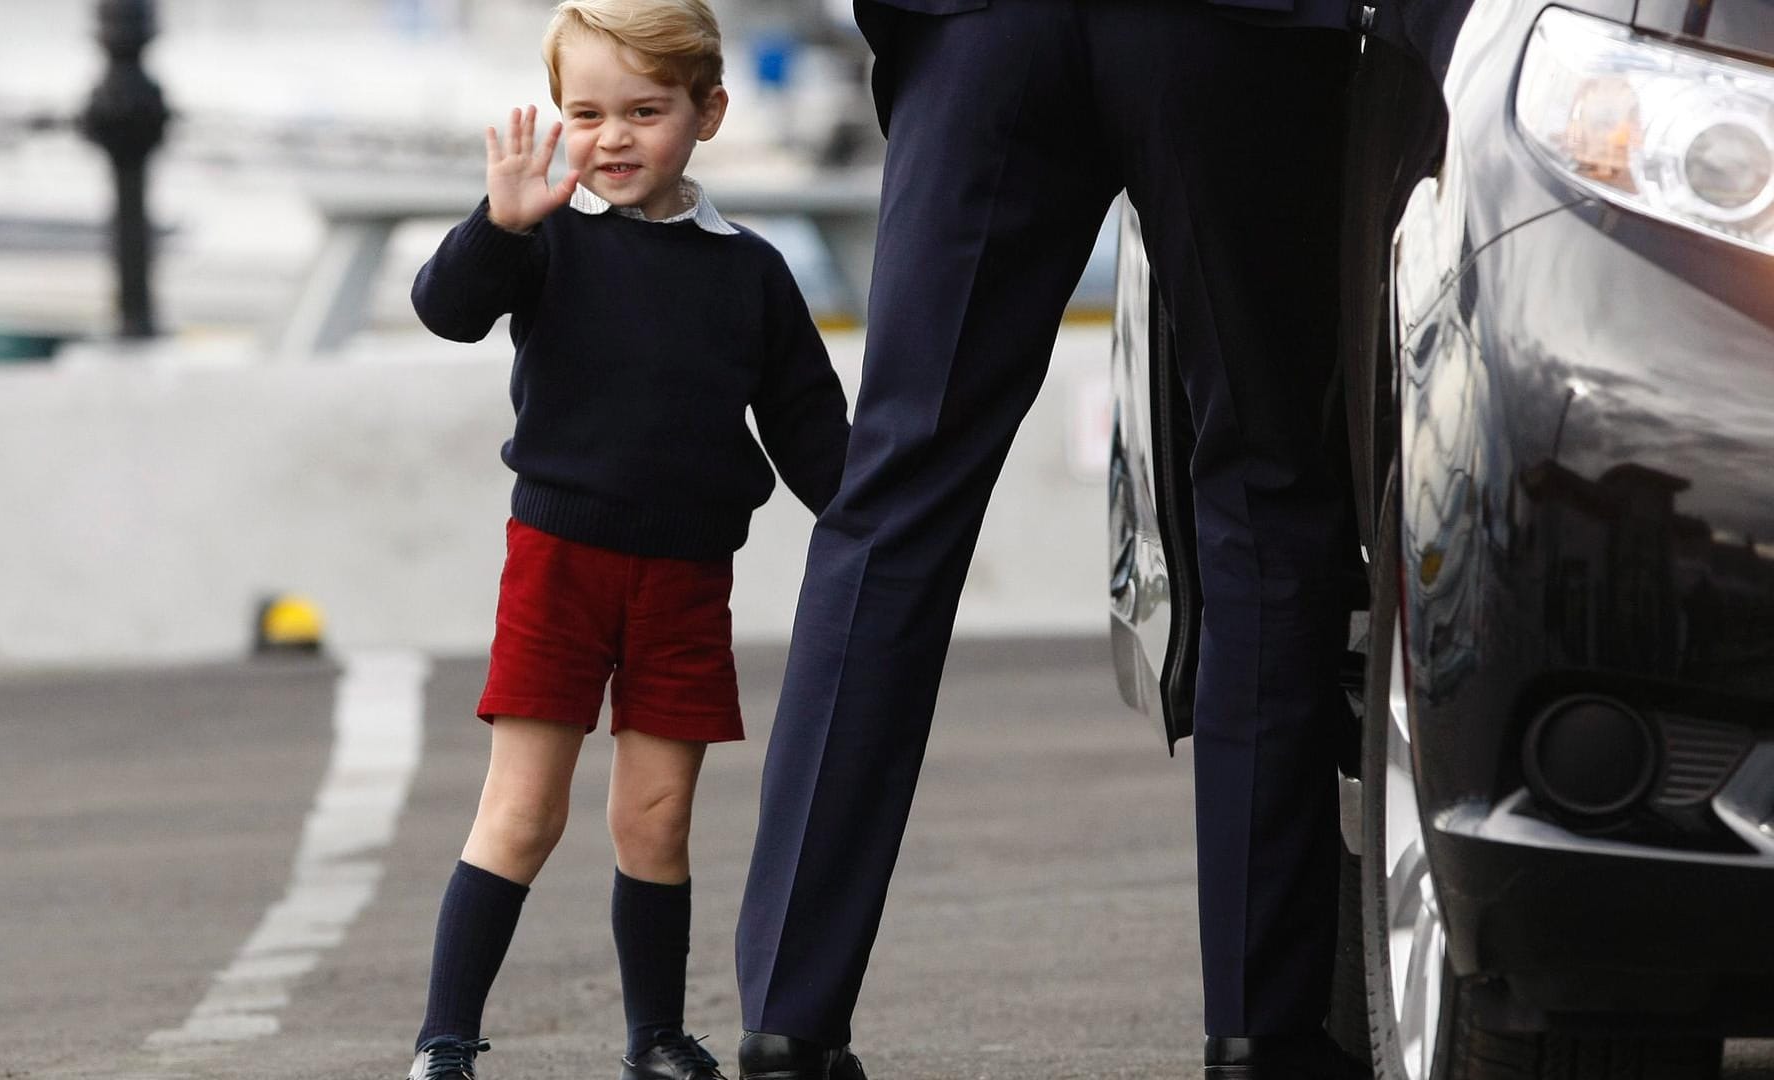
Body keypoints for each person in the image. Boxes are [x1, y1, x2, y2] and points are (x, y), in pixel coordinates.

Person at [733, 1, 1370, 1078]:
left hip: (984, 25)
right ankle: (1262, 1031)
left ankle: (787, 1023)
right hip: (1231, 30)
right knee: (1267, 493)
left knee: (893, 503)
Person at [402, 2, 851, 1078]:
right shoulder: (543, 236)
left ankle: (653, 1039)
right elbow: (446, 309)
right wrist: (498, 226)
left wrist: (886, 522)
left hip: (688, 578)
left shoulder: (750, 271)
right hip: (559, 566)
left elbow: (811, 433)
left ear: (709, 112)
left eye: (645, 111)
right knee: (523, 812)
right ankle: (443, 1046)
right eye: (587, 112)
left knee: (655, 820)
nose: (612, 137)